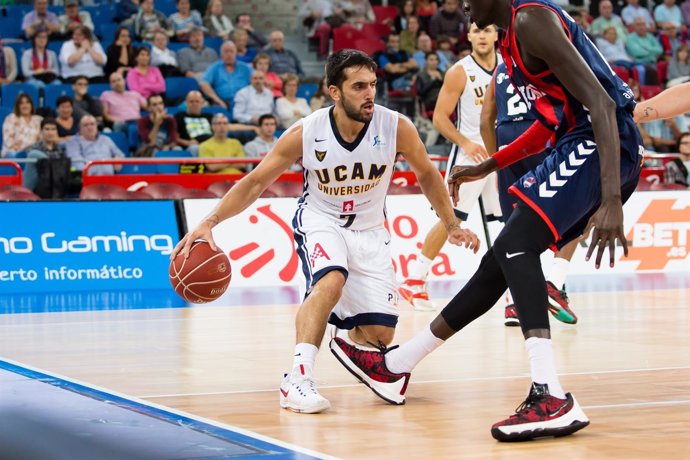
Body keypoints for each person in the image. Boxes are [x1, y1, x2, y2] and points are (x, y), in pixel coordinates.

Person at [331, 0, 643, 442]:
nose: (462, 6)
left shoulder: (532, 20)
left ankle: (550, 394)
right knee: (499, 261)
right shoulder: (511, 41)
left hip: (601, 142)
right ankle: (395, 367)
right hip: (582, 140)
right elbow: (550, 123)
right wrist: (487, 165)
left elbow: (601, 102)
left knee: (517, 246)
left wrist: (611, 198)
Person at [171, 49, 479, 414]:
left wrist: (452, 224)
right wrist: (210, 221)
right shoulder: (307, 132)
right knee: (329, 281)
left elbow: (427, 174)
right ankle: (297, 379)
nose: (370, 94)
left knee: (379, 336)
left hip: (370, 230)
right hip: (321, 219)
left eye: (373, 85)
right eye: (359, 86)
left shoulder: (396, 126)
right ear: (335, 91)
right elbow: (255, 183)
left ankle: (339, 334)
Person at [398, 23, 500, 312]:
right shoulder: (459, 71)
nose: (482, 35)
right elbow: (441, 118)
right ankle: (414, 281)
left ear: (496, 35)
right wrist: (465, 143)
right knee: (450, 220)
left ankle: (511, 290)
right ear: (468, 36)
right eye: (476, 30)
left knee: (505, 222)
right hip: (470, 157)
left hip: (502, 154)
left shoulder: (508, 66)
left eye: (487, 30)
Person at [481, 62, 579, 326]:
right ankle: (555, 282)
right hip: (539, 137)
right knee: (578, 211)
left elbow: (485, 120)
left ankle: (514, 303)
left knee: (514, 226)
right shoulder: (543, 58)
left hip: (505, 140)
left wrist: (497, 161)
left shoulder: (499, 69)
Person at [199, 41, 252, 108]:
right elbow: (203, 83)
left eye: (231, 51)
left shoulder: (246, 68)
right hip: (222, 103)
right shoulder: (215, 67)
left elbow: (258, 79)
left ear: (236, 53)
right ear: (221, 54)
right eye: (226, 52)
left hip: (244, 103)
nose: (229, 54)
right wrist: (217, 100)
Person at [24, 118, 66, 192]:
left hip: (57, 186)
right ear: (41, 131)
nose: (50, 132)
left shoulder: (60, 150)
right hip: (39, 186)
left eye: (53, 129)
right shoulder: (34, 149)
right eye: (47, 129)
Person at [2, 94, 42, 158]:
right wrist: (24, 150)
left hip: (34, 152)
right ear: (18, 106)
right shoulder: (11, 118)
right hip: (14, 152)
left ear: (31, 105)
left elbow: (42, 140)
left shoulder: (39, 120)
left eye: (27, 102)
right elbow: (8, 141)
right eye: (21, 103)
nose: (25, 106)